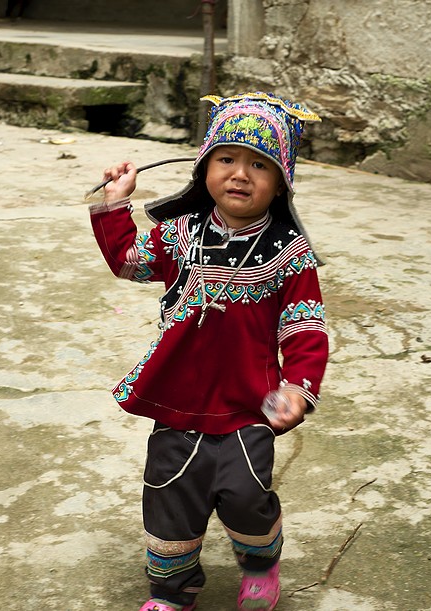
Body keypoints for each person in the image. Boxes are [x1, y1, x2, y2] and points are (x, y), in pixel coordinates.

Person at [89, 92, 329, 611]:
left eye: (259, 164)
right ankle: (172, 592)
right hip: (178, 401)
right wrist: (116, 202)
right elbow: (128, 260)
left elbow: (305, 329)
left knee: (246, 497)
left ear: (282, 181)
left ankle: (261, 566)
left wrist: (298, 388)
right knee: (169, 497)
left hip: (248, 407)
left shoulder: (290, 254)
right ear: (204, 169)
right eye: (227, 159)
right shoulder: (180, 234)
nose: (240, 174)